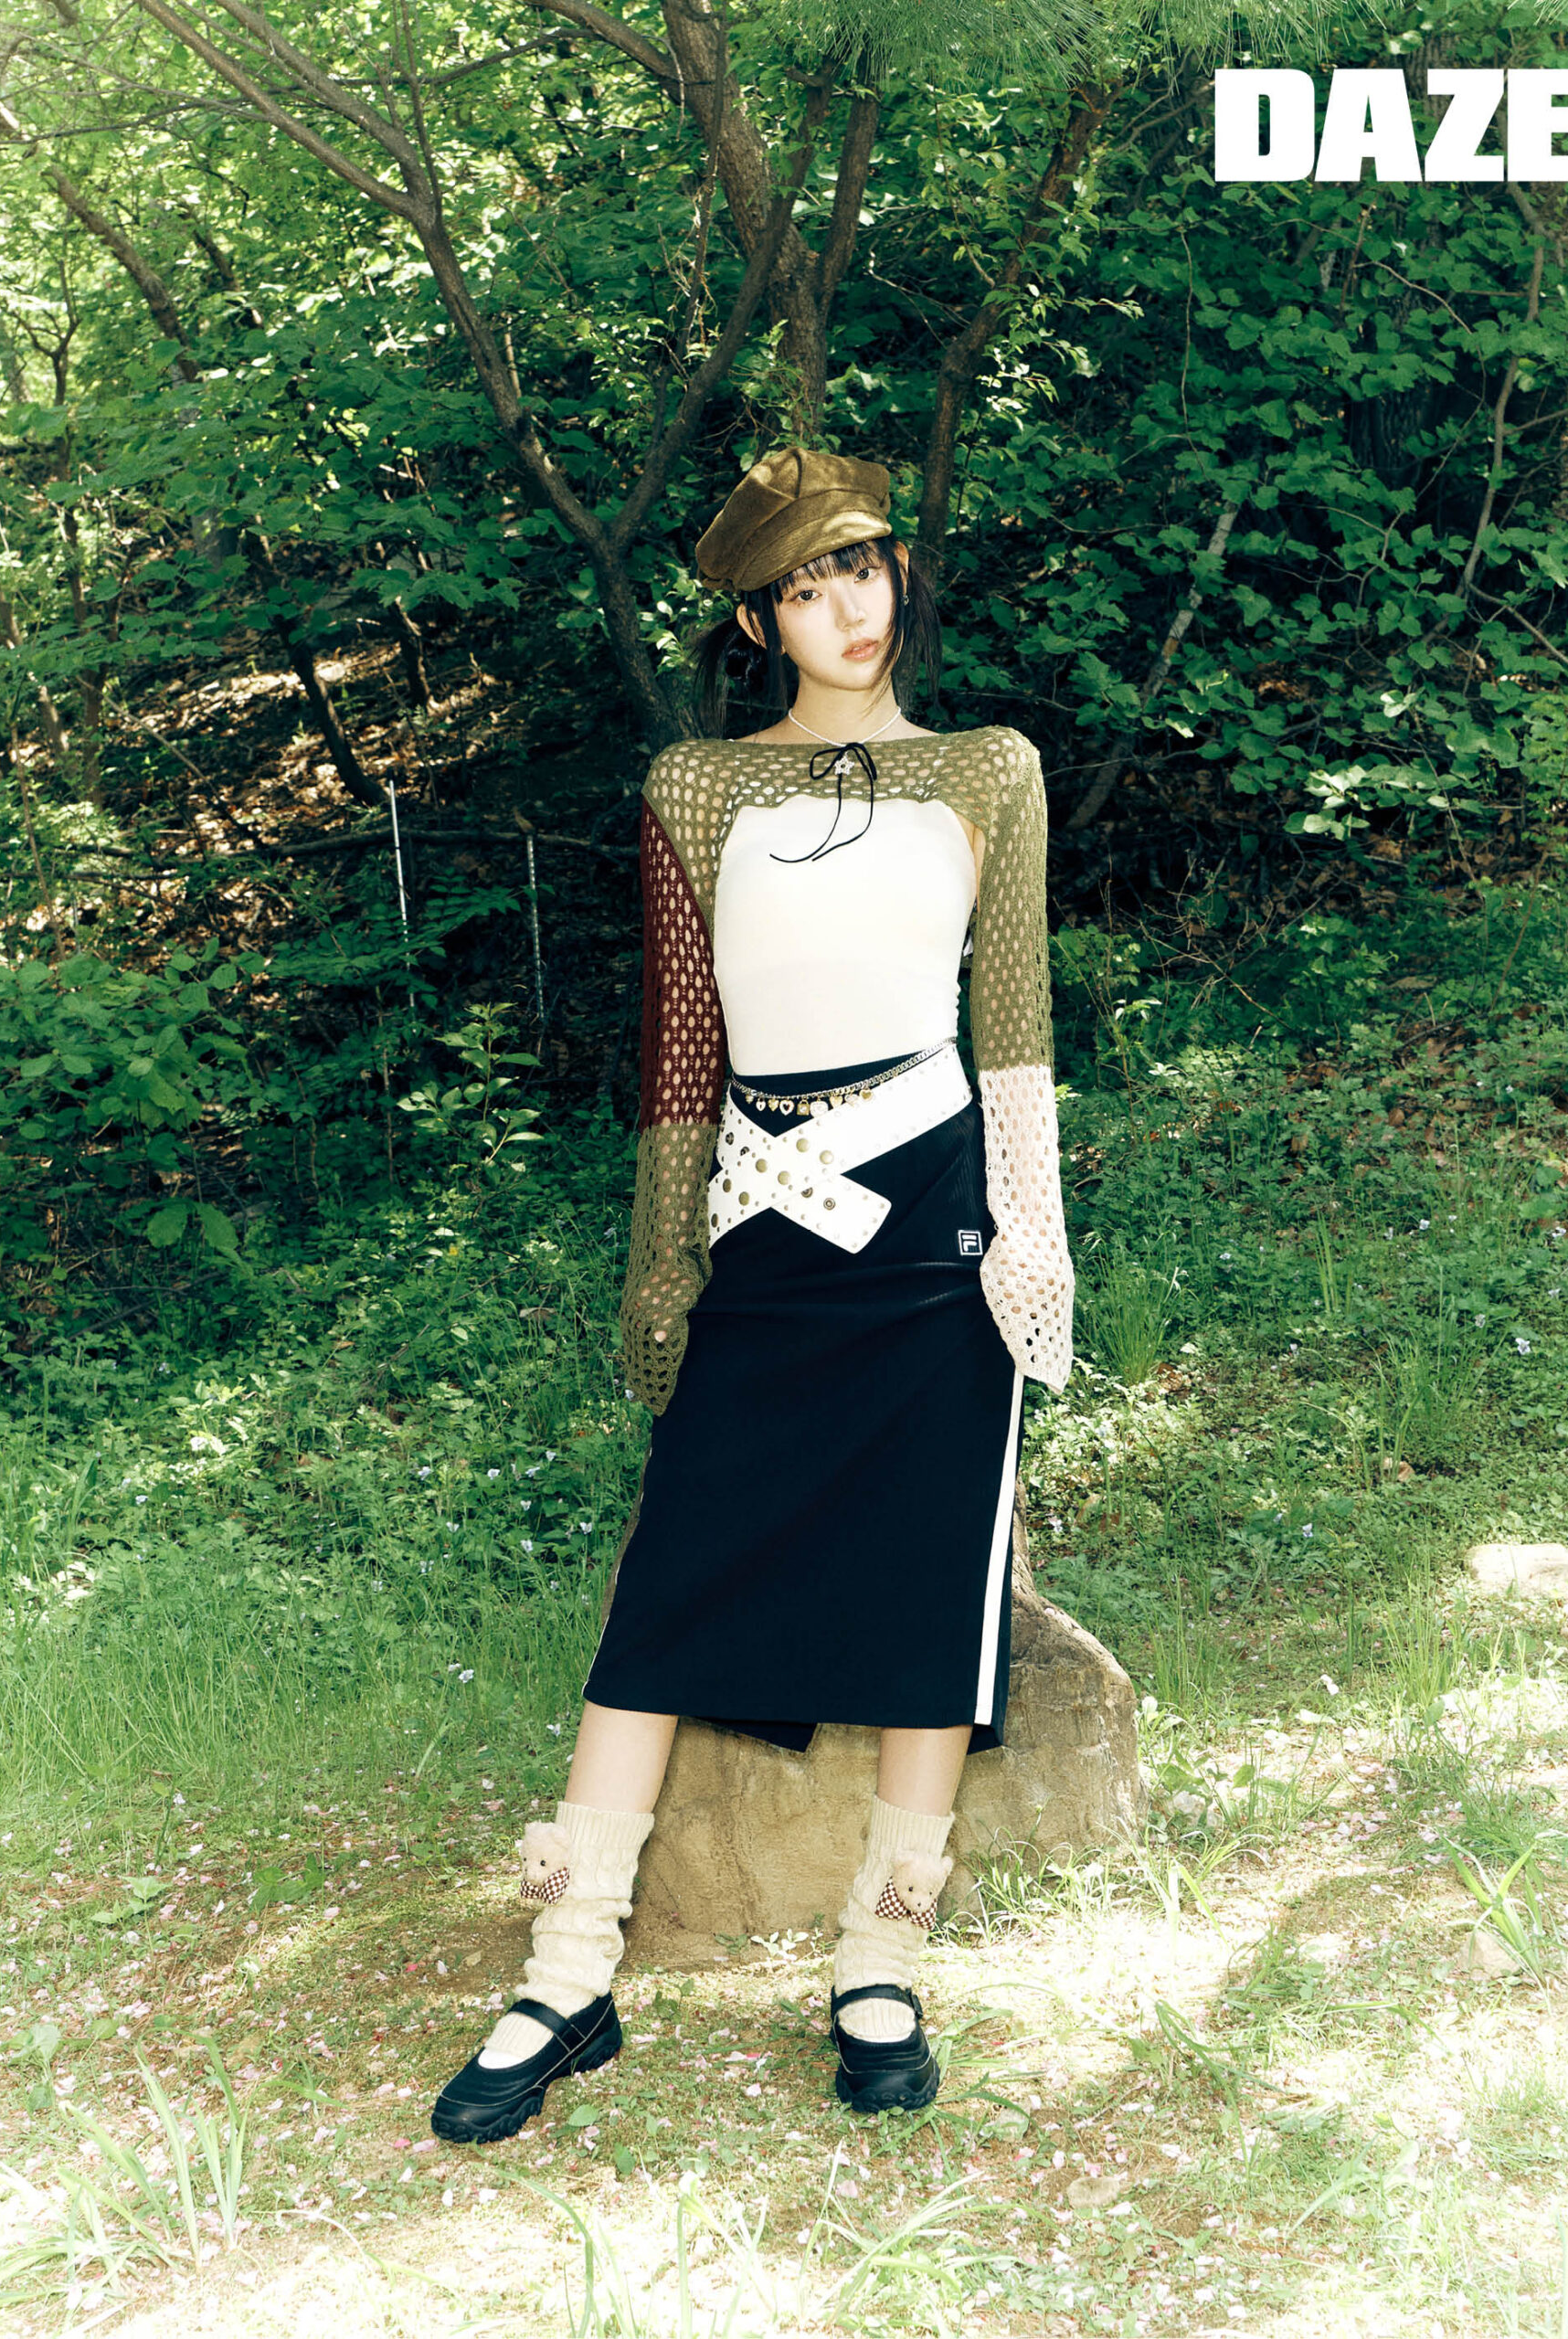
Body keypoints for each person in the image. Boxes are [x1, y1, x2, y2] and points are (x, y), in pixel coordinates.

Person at [430, 446, 1074, 2145]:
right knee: (673, 1575)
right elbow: (679, 1052)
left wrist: (1033, 1235)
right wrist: (665, 1255)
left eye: (863, 567)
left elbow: (1014, 1028)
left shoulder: (990, 768)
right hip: (760, 1221)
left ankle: (884, 1955)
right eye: (804, 586)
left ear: (899, 572)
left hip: (933, 1216)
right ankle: (569, 1967)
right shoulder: (700, 784)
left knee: (930, 1583)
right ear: (755, 620)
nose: (846, 606)